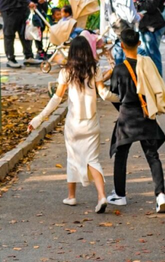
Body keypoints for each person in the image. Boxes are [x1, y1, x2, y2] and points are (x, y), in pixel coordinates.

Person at [28, 35, 116, 212]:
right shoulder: (94, 69)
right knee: (93, 160)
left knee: (72, 157)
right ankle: (101, 196)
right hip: (91, 123)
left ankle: (72, 196)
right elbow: (105, 94)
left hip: (73, 125)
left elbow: (56, 99)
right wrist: (123, 98)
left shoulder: (66, 72)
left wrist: (38, 119)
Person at [107, 28, 165, 213]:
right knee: (152, 156)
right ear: (139, 44)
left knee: (121, 154)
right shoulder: (148, 66)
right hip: (145, 114)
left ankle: (120, 195)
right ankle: (160, 195)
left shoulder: (118, 70)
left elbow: (115, 95)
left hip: (127, 117)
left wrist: (123, 109)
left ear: (122, 45)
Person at [135, 0, 165, 75]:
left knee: (153, 56)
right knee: (147, 54)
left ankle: (158, 83)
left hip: (154, 26)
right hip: (148, 25)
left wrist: (137, 3)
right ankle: (153, 82)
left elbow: (151, 6)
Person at [105, 0, 140, 64]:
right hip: (126, 33)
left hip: (115, 32)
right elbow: (132, 17)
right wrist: (139, 16)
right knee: (128, 60)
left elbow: (106, 16)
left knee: (118, 59)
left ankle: (117, 77)